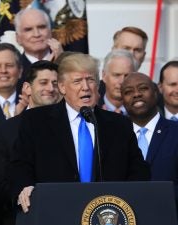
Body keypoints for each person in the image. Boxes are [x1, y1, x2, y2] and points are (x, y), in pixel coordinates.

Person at [10, 53, 150, 213]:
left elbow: (138, 170)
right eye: (77, 81)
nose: (86, 87)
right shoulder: (36, 121)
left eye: (90, 80)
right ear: (62, 87)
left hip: (106, 218)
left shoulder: (119, 124)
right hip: (54, 213)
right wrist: (25, 187)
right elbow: (20, 165)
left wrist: (129, 199)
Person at [0, 60, 60, 225]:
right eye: (44, 82)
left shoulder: (74, 128)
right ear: (27, 88)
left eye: (55, 83)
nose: (51, 88)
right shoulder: (4, 131)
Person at [121, 72, 178, 184]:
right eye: (128, 92)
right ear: (122, 100)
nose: (136, 94)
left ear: (156, 92)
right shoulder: (115, 137)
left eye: (143, 88)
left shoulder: (175, 132)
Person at [14, 7, 63, 93]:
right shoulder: (14, 71)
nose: (36, 34)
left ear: (51, 32)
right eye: (28, 29)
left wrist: (62, 62)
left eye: (41, 27)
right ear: (18, 38)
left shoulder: (68, 62)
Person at [98, 49, 137, 114]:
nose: (122, 81)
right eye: (117, 75)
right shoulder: (91, 109)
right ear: (104, 76)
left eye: (127, 76)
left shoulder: (145, 111)